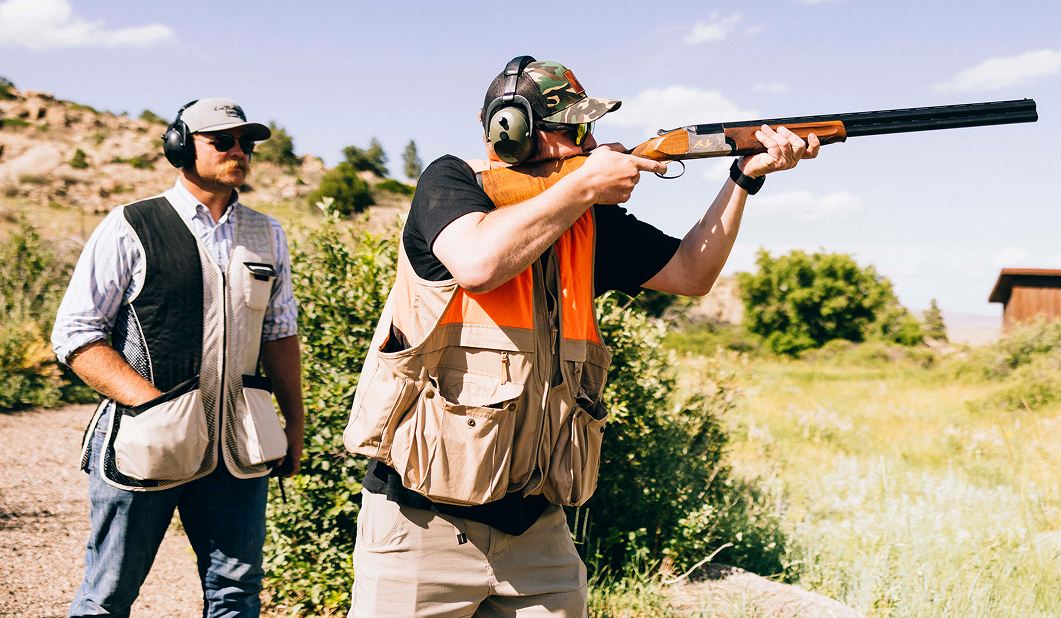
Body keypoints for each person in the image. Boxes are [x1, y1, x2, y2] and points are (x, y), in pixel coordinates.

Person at [343, 57, 818, 618]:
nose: (589, 142)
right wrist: (586, 186)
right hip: (421, 527)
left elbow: (692, 272)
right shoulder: (450, 182)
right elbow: (477, 261)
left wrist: (744, 178)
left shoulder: (584, 218)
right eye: (573, 129)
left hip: (537, 532)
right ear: (510, 132)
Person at [52, 98, 305, 618]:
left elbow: (280, 334)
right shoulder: (129, 225)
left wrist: (294, 425)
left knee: (237, 597)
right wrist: (154, 408)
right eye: (223, 141)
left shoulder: (267, 233)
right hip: (146, 441)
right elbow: (75, 335)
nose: (240, 151)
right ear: (181, 146)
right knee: (108, 594)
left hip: (239, 447)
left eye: (246, 142)